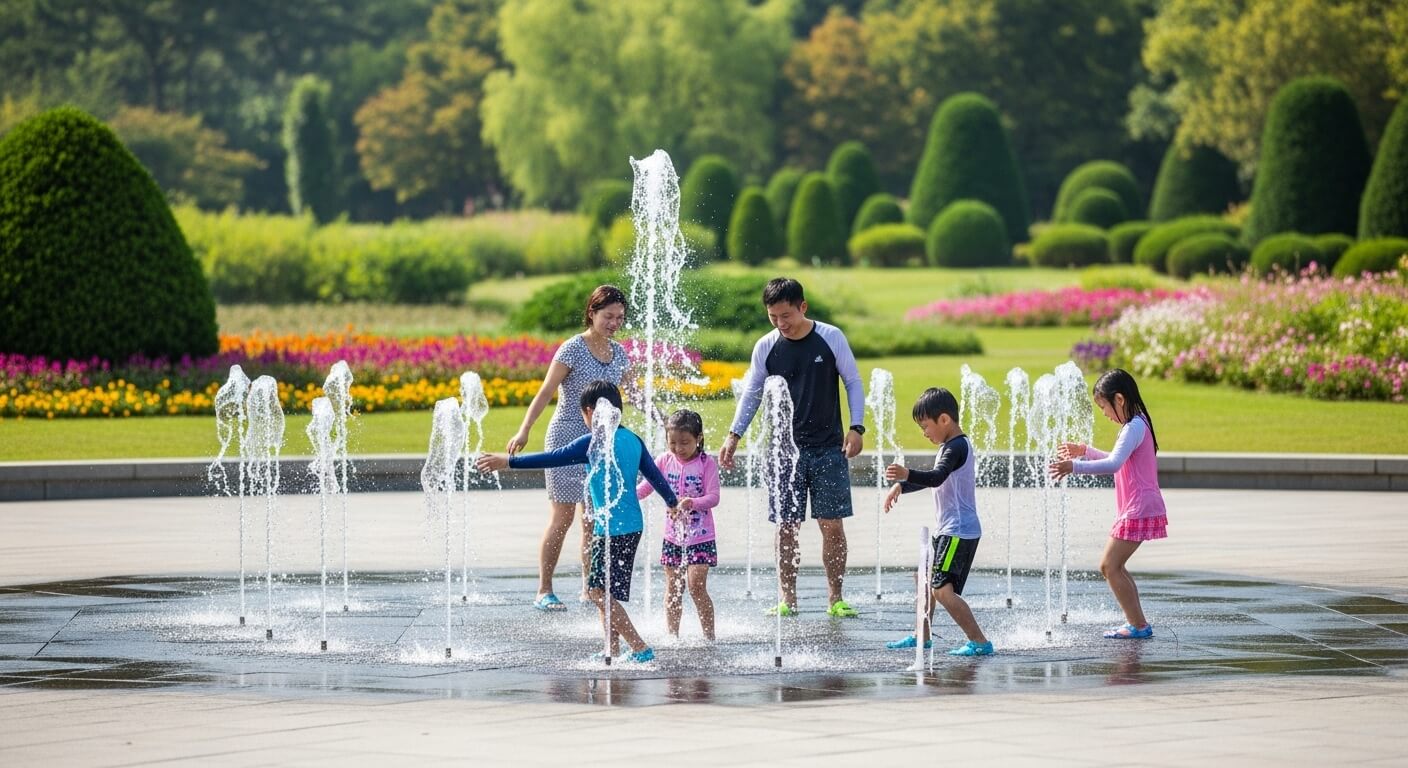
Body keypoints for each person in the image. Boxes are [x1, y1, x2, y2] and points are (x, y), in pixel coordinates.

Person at [477, 380, 678, 663]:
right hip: (632, 526)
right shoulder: (633, 439)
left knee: (597, 591)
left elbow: (552, 458)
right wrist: (672, 502)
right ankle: (612, 649)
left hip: (609, 529)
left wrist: (507, 461)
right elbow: (656, 476)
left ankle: (639, 647)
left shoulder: (592, 441)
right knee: (607, 592)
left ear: (588, 412)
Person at [719, 278, 865, 618]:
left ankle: (835, 598)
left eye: (786, 315)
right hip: (783, 453)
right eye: (773, 317)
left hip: (829, 449)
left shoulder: (831, 338)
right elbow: (752, 393)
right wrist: (733, 435)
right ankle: (788, 598)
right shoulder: (766, 347)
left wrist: (857, 427)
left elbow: (853, 381)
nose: (781, 323)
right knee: (786, 526)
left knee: (832, 525)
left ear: (803, 307)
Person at [506, 285, 631, 612]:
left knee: (593, 520)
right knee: (562, 518)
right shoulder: (573, 348)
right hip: (564, 436)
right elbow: (546, 391)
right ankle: (544, 590)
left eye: (619, 317)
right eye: (608, 316)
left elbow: (634, 393)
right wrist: (524, 430)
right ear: (592, 312)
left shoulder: (620, 354)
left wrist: (662, 418)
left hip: (598, 445)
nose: (614, 322)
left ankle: (591, 588)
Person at [1049, 368, 1167, 640]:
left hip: (1138, 507)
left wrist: (1074, 466)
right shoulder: (1138, 424)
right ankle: (1138, 623)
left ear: (1120, 399)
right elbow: (1119, 459)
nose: (1104, 413)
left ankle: (1137, 625)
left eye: (1104, 407)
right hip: (1138, 505)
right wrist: (1086, 452)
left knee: (1109, 566)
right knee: (1117, 566)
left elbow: (1114, 463)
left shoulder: (1133, 427)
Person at [881, 387, 994, 657]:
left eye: (925, 426)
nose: (924, 433)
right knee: (924, 579)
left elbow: (936, 476)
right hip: (949, 529)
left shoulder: (956, 447)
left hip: (959, 531)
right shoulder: (950, 446)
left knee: (942, 590)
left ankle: (979, 641)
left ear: (944, 420)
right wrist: (903, 486)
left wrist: (905, 474)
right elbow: (936, 478)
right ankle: (923, 635)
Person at [636, 409, 719, 640]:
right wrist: (626, 496)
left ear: (698, 438)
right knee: (673, 588)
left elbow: (714, 497)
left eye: (685, 442)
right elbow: (645, 487)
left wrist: (692, 502)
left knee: (696, 586)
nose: (678, 448)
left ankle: (709, 637)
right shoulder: (663, 460)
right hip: (672, 537)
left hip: (701, 536)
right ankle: (673, 636)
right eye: (672, 442)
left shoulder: (706, 463)